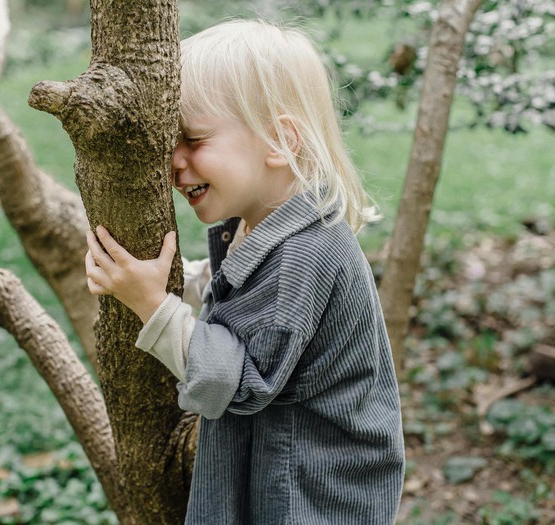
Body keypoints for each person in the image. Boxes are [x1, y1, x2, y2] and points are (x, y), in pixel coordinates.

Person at [85, 19, 405, 524]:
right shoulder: (265, 224)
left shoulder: (307, 253)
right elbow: (242, 292)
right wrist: (186, 280)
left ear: (279, 141)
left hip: (308, 495)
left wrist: (153, 305)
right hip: (282, 467)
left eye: (192, 139)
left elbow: (240, 383)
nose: (173, 162)